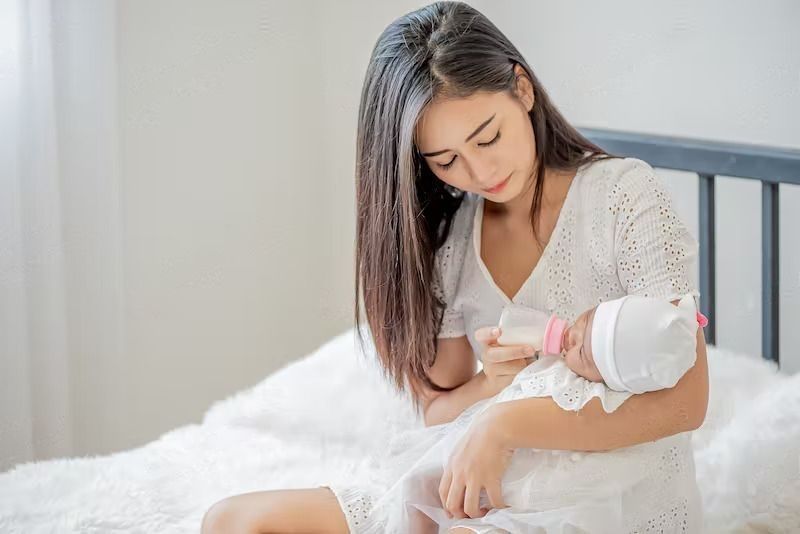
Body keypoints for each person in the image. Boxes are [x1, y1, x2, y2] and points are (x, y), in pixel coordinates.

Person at [200, 2, 709, 533]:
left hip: (599, 499)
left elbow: (687, 402)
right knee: (232, 521)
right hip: (476, 485)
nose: (480, 171)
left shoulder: (625, 197)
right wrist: (491, 386)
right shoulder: (456, 243)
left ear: (523, 90)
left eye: (488, 137)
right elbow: (436, 411)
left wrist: (504, 425)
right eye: (446, 160)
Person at [369, 292, 708, 533]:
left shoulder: (598, 402)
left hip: (524, 506)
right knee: (416, 485)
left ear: (610, 379)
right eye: (585, 320)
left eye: (583, 352)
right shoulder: (560, 365)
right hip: (478, 466)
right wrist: (493, 373)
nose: (570, 338)